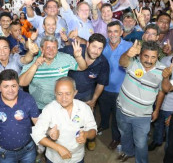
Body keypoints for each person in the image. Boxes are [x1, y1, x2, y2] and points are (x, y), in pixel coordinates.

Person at [117, 41, 165, 162]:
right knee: (124, 135)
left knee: (141, 143)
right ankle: (128, 152)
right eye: (146, 56)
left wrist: (157, 109)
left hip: (142, 116)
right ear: (140, 54)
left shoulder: (163, 71)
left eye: (153, 57)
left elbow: (161, 92)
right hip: (122, 109)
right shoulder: (133, 62)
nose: (149, 60)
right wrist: (128, 54)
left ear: (157, 56)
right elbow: (122, 62)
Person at [59, 33, 109, 151]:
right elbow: (54, 54)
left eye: (100, 48)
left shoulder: (103, 62)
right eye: (94, 46)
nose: (96, 51)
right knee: (66, 117)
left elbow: (101, 83)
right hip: (69, 93)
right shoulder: (72, 50)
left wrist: (93, 100)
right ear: (87, 44)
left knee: (87, 118)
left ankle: (90, 139)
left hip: (87, 93)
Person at [31, 77, 97, 163]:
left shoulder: (84, 108)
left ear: (75, 92)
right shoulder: (49, 109)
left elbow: (93, 131)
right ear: (55, 93)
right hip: (54, 158)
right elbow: (37, 134)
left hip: (77, 157)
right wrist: (57, 147)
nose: (64, 98)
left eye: (68, 94)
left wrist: (86, 134)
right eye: (59, 94)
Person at [19, 35, 87, 110]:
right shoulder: (32, 60)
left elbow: (82, 67)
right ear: (42, 49)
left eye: (54, 47)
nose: (51, 50)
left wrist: (78, 57)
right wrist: (36, 65)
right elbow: (21, 83)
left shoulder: (65, 58)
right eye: (48, 47)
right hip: (38, 107)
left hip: (59, 106)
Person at [99, 21, 133, 150]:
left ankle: (115, 138)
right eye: (110, 31)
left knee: (117, 117)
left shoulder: (129, 46)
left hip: (120, 90)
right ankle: (103, 124)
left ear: (121, 32)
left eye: (115, 31)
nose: (112, 34)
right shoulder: (103, 46)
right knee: (104, 110)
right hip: (103, 87)